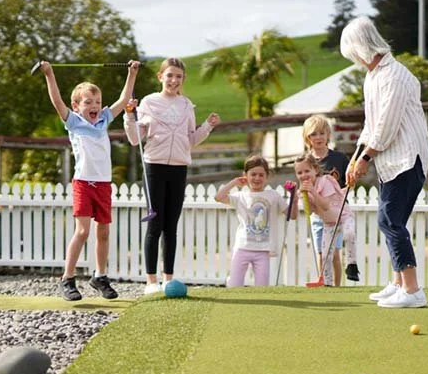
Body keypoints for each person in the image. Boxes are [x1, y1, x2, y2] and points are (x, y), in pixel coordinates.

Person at [340, 16, 428, 308]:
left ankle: (413, 290)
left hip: (407, 158)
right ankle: (398, 284)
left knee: (389, 221)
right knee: (395, 221)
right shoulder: (373, 76)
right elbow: (371, 124)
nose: (353, 59)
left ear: (361, 47)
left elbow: (387, 128)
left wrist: (365, 159)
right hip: (390, 162)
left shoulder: (395, 75)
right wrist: (354, 160)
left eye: (352, 53)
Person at [38, 60, 141, 301]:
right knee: (83, 231)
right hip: (83, 183)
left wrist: (132, 73)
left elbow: (124, 98)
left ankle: (100, 276)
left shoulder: (104, 118)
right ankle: (68, 278)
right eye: (88, 103)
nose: (94, 106)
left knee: (103, 232)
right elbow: (56, 101)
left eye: (97, 102)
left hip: (103, 184)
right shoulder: (73, 121)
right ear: (76, 106)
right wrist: (49, 74)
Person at [124, 57, 220, 294]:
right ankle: (151, 282)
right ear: (161, 77)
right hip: (154, 166)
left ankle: (168, 278)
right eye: (170, 75)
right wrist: (129, 115)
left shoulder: (187, 105)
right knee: (155, 224)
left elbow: (190, 140)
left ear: (183, 79)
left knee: (171, 226)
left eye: (178, 76)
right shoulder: (148, 102)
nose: (174, 80)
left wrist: (207, 126)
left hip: (179, 168)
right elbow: (135, 139)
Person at [215, 155, 297, 287]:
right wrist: (235, 182)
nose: (257, 178)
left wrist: (295, 197)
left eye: (261, 175)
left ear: (267, 176)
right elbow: (219, 197)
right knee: (234, 285)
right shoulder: (240, 196)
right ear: (245, 175)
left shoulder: (273, 196)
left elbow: (292, 215)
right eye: (253, 174)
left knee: (262, 287)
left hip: (263, 250)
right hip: (242, 247)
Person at [302, 114, 359, 282]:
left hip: (336, 214)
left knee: (334, 253)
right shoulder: (307, 161)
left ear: (328, 134)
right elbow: (303, 183)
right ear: (307, 138)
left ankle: (337, 288)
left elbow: (348, 183)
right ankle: (324, 284)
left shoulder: (339, 158)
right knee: (322, 252)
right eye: (313, 134)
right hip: (318, 214)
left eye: (321, 133)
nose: (318, 137)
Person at [294, 153, 355, 287]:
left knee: (349, 235)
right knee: (325, 255)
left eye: (307, 171)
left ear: (315, 170)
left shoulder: (325, 181)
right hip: (329, 223)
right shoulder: (305, 189)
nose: (303, 175)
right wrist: (303, 196)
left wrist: (313, 192)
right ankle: (327, 283)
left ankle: (352, 265)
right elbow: (310, 211)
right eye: (299, 173)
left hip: (343, 217)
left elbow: (326, 205)